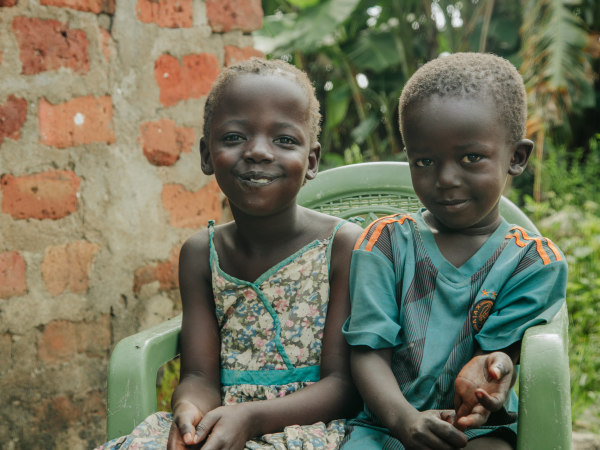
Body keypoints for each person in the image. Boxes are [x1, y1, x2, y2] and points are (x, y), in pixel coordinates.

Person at [97, 58, 362, 450]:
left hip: (311, 429)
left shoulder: (341, 246)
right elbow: (201, 377)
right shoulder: (201, 253)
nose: (257, 152)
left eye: (284, 140)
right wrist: (189, 411)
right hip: (220, 425)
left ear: (311, 161)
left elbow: (343, 387)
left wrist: (251, 418)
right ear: (207, 155)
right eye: (235, 137)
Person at [340, 52, 567, 450]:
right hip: (382, 426)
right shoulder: (385, 244)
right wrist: (403, 420)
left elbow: (499, 356)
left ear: (516, 157)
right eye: (424, 160)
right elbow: (367, 353)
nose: (445, 179)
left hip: (474, 432)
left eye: (471, 157)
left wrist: (494, 370)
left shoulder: (533, 263)